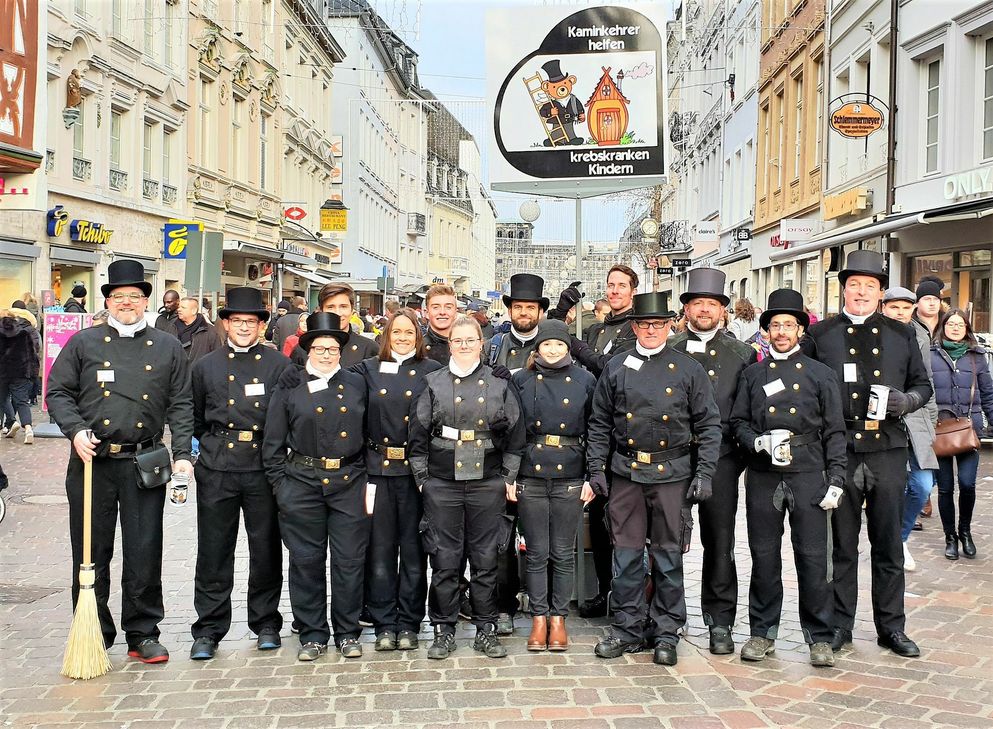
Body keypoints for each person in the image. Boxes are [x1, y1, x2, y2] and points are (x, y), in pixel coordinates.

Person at [46, 259, 193, 664]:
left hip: (144, 462)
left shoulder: (167, 346)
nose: (126, 302)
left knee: (145, 548)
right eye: (118, 296)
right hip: (92, 462)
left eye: (134, 296)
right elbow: (58, 392)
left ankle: (143, 632)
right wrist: (76, 430)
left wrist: (183, 454)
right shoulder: (84, 343)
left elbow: (182, 403)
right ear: (107, 301)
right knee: (90, 551)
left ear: (146, 301)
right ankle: (93, 630)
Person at [801, 250, 931, 658]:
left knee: (888, 543)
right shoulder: (820, 335)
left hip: (887, 448)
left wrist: (906, 402)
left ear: (880, 292)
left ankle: (891, 627)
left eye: (869, 286)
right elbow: (804, 389)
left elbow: (923, 386)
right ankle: (840, 625)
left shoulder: (901, 334)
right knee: (842, 545)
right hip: (840, 450)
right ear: (843, 290)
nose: (861, 292)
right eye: (854, 284)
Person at [587, 292, 721, 666]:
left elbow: (709, 424)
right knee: (626, 556)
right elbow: (599, 423)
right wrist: (596, 468)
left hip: (671, 474)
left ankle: (666, 631)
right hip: (627, 474)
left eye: (658, 324)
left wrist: (704, 472)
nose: (651, 330)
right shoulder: (616, 367)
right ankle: (627, 628)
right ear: (634, 327)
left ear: (669, 326)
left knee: (667, 556)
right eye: (645, 324)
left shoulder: (688, 369)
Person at [730, 288, 847, 668]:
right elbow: (738, 422)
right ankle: (762, 632)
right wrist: (756, 441)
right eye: (775, 325)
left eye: (789, 325)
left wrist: (837, 478)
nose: (781, 332)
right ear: (766, 331)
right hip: (764, 475)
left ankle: (820, 636)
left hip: (809, 472)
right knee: (764, 557)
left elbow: (835, 430)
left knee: (813, 558)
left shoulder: (820, 374)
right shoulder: (753, 374)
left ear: (800, 330)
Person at [408, 314, 525, 660]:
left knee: (487, 558)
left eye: (470, 340)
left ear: (481, 343)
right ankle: (443, 628)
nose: (464, 346)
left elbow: (516, 435)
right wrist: (423, 481)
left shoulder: (499, 383)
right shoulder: (432, 383)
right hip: (442, 482)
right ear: (449, 344)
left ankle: (486, 627)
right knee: (444, 559)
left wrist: (506, 478)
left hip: (487, 481)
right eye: (457, 340)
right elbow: (417, 437)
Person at [188, 288, 292, 661]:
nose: (244, 327)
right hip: (218, 466)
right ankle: (209, 628)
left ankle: (266, 623)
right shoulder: (205, 366)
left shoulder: (279, 365)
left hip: (263, 465)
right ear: (226, 324)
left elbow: (287, 417)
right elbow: (196, 417)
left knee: (265, 548)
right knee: (214, 549)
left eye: (251, 321)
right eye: (237, 321)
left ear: (262, 325)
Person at [262, 312, 371, 661]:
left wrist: (364, 478)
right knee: (306, 561)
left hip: (349, 483)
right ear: (308, 349)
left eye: (333, 348)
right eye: (320, 348)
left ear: (341, 351)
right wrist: (281, 486)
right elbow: (273, 441)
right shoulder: (290, 384)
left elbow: (369, 433)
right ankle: (312, 633)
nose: (326, 354)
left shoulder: (356, 383)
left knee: (349, 561)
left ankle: (348, 632)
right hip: (302, 482)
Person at [669, 268, 757, 655]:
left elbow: (747, 409)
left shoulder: (742, 354)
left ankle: (720, 620)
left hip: (721, 458)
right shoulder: (669, 347)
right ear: (686, 309)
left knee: (719, 540)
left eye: (712, 304)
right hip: (673, 456)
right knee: (667, 538)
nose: (704, 310)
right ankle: (668, 615)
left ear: (723, 311)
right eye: (697, 303)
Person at [549, 265, 640, 619]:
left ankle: (627, 593)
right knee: (600, 519)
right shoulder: (598, 328)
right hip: (595, 427)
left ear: (633, 291)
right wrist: (561, 311)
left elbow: (605, 364)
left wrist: (576, 344)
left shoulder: (635, 329)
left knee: (623, 522)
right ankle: (604, 590)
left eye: (621, 285)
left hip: (624, 431)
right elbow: (553, 337)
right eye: (610, 285)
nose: (614, 291)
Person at [350, 309, 442, 651]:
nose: (402, 338)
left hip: (416, 472)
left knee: (415, 552)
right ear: (386, 336)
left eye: (409, 332)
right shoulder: (367, 369)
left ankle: (410, 623)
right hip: (378, 469)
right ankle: (384, 622)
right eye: (396, 332)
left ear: (418, 337)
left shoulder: (432, 370)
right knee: (380, 551)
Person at [509, 319, 596, 651]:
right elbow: (512, 431)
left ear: (568, 347)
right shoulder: (521, 379)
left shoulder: (585, 380)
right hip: (530, 472)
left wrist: (593, 475)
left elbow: (595, 430)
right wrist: (509, 476)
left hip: (570, 472)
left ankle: (558, 619)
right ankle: (538, 618)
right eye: (547, 344)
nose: (554, 350)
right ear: (538, 348)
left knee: (562, 553)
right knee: (536, 553)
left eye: (560, 344)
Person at [488, 273, 549, 632]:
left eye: (530, 307)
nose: (524, 313)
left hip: (541, 453)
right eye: (518, 307)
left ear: (540, 311)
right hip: (502, 452)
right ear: (509, 309)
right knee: (501, 536)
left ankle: (544, 604)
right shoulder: (494, 346)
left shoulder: (552, 343)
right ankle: (503, 605)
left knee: (542, 536)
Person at [881, 287, 938, 572]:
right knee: (893, 486)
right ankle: (893, 543)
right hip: (882, 419)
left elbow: (927, 381)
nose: (900, 313)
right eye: (895, 307)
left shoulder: (920, 336)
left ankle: (899, 537)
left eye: (906, 308)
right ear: (883, 308)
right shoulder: (874, 332)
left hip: (915, 416)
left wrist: (932, 421)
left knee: (923, 484)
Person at [929, 308, 993, 561]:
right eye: (951, 324)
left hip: (969, 429)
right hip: (940, 430)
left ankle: (965, 532)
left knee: (967, 484)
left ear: (967, 329)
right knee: (945, 488)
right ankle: (950, 537)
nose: (955, 328)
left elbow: (988, 393)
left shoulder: (977, 357)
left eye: (960, 324)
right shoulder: (931, 355)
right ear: (943, 327)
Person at [914, 275, 945, 521]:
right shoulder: (911, 326)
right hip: (922, 395)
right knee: (922, 450)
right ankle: (923, 497)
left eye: (935, 299)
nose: (932, 303)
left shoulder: (949, 324)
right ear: (918, 303)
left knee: (942, 450)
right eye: (926, 298)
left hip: (946, 395)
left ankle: (928, 492)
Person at [0, 308, 40, 445]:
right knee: (22, 402)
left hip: (3, 372)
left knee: (2, 399)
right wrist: (32, 373)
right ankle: (28, 429)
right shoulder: (23, 332)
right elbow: (31, 354)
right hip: (21, 372)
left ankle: (11, 422)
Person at [173, 297, 222, 363]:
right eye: (179, 307)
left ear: (194, 311)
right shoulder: (172, 327)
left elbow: (217, 356)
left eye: (183, 308)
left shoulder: (210, 331)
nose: (179, 310)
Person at [422, 284, 459, 365]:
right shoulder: (418, 349)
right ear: (426, 313)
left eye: (448, 307)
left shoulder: (468, 347)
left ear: (455, 313)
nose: (442, 312)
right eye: (436, 307)